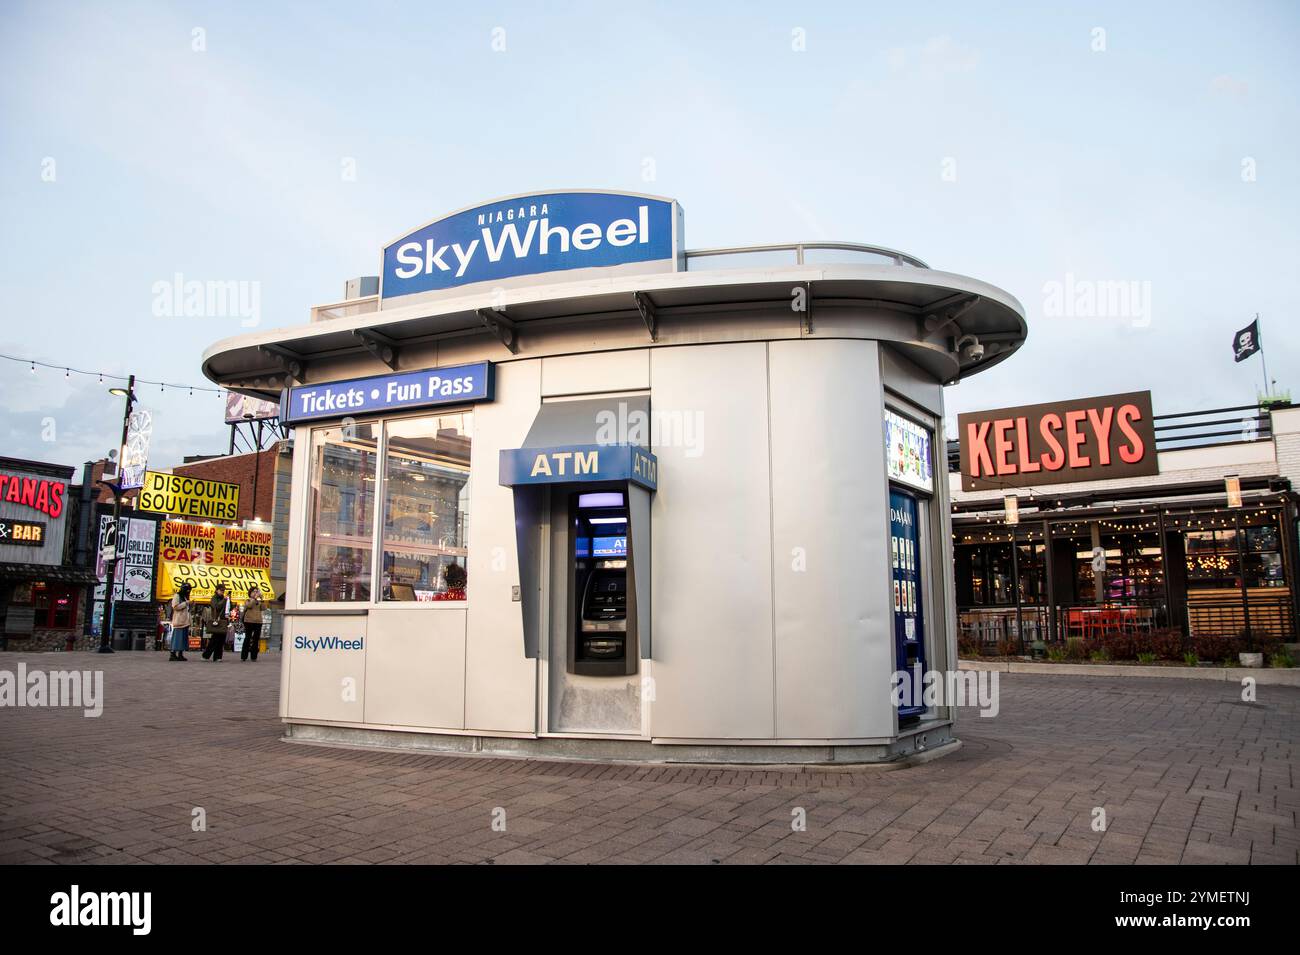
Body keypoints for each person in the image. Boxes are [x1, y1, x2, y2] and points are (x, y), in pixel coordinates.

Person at [201, 583, 232, 661]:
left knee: (221, 639)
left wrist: (229, 601)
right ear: (217, 590)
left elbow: (229, 608)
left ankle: (218, 657)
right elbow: (216, 607)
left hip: (224, 620)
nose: (222, 592)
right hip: (216, 620)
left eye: (223, 590)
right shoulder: (214, 598)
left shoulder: (224, 598)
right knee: (214, 639)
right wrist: (224, 600)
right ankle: (206, 655)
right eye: (221, 590)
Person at [169, 583, 192, 661]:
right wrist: (186, 603)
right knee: (177, 638)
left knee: (183, 638)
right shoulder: (177, 596)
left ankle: (180, 654)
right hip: (179, 620)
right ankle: (173, 654)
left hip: (185, 620)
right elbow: (175, 606)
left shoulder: (185, 597)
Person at [241, 586, 264, 661]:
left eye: (256, 591)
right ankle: (244, 656)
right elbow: (249, 605)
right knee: (247, 638)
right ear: (250, 593)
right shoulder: (248, 600)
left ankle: (254, 656)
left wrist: (262, 598)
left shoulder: (259, 601)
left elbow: (264, 608)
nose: (255, 593)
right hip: (249, 621)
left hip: (258, 621)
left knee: (256, 639)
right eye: (254, 591)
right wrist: (254, 599)